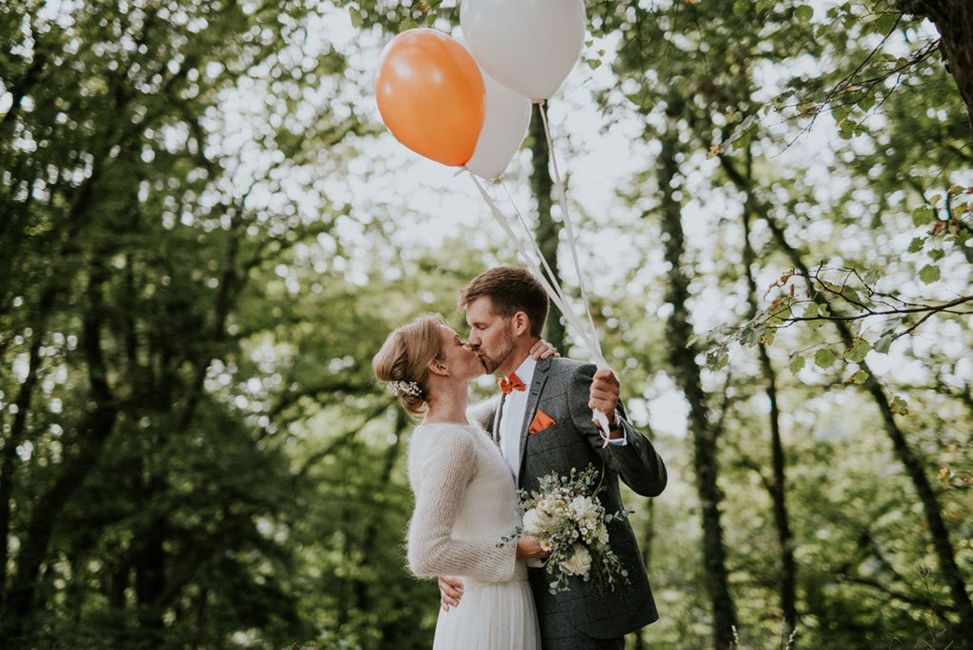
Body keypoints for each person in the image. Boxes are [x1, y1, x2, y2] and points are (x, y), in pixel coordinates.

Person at [439, 266, 668, 649]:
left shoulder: (575, 380)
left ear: (518, 323)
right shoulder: (494, 409)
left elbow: (650, 480)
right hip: (511, 602)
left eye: (481, 326)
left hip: (583, 606)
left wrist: (611, 422)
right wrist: (452, 561)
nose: (473, 340)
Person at [372, 314, 556, 649]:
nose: (471, 342)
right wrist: (517, 550)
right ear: (439, 366)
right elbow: (426, 553)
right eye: (458, 342)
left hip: (493, 598)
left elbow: (509, 404)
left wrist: (534, 365)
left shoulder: (460, 428)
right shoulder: (452, 443)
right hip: (491, 610)